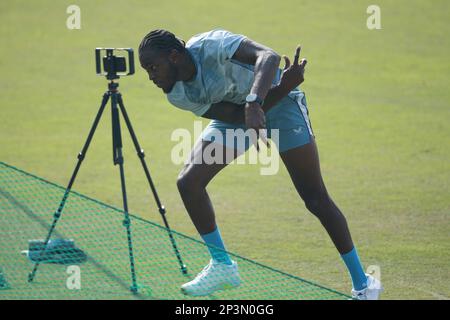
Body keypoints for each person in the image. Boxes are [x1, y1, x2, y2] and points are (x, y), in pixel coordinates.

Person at [138, 29, 383, 299]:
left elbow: (268, 57)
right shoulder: (177, 93)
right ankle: (222, 266)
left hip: (282, 103)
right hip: (243, 113)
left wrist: (260, 99)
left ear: (173, 56)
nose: (151, 77)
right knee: (189, 182)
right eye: (147, 71)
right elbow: (233, 116)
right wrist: (255, 108)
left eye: (153, 67)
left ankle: (364, 285)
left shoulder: (212, 45)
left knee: (315, 198)